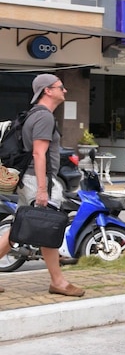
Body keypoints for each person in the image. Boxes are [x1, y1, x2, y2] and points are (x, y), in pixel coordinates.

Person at [0, 74, 84, 296]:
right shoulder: (44, 117)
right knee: (47, 227)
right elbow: (39, 153)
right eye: (61, 87)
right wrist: (42, 189)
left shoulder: (33, 115)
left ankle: (58, 280)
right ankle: (58, 282)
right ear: (48, 90)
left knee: (21, 229)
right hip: (37, 180)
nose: (64, 90)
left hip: (31, 179)